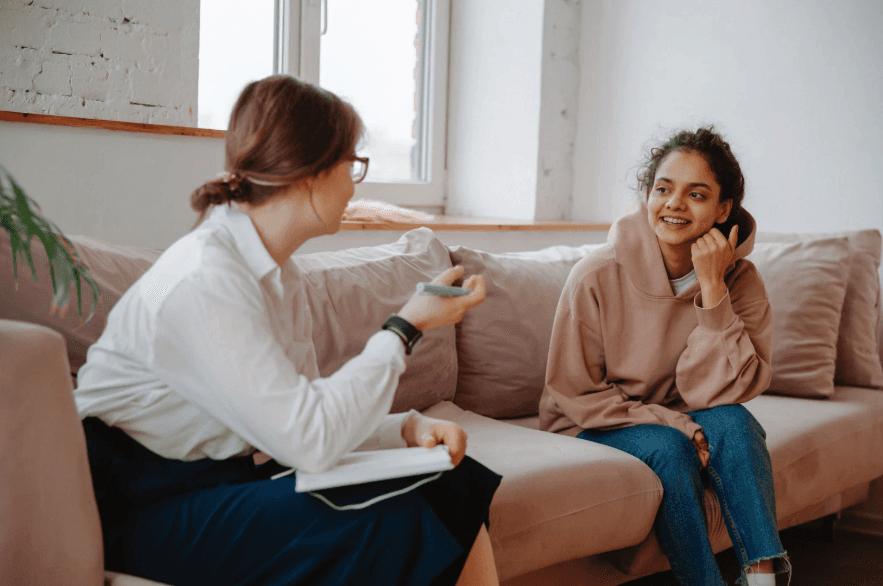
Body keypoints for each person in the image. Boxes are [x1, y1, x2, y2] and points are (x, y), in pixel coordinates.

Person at [74, 74, 502, 586]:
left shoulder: (279, 273)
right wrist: (405, 326)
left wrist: (405, 427)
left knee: (450, 481)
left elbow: (298, 413)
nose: (355, 182)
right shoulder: (205, 277)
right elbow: (309, 441)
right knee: (390, 520)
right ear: (310, 173)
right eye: (354, 164)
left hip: (219, 477)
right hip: (139, 502)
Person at [539, 127, 790, 586]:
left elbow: (727, 391)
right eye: (663, 189)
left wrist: (713, 290)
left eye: (696, 194)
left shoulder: (741, 281)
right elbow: (573, 392)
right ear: (647, 195)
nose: (674, 204)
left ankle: (763, 577)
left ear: (723, 209)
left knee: (735, 422)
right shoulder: (595, 275)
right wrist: (674, 422)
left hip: (681, 413)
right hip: (591, 423)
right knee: (670, 448)